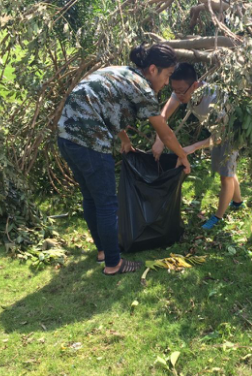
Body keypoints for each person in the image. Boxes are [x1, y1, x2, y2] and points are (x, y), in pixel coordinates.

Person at [57, 44, 191, 275]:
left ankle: (103, 252)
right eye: (167, 75)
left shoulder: (122, 72)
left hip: (66, 137)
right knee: (107, 204)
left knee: (91, 197)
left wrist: (125, 140)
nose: (167, 82)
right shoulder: (143, 89)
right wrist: (182, 156)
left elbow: (106, 107)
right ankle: (113, 264)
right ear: (153, 69)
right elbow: (165, 133)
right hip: (90, 143)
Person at [152, 63, 244, 230]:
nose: (178, 95)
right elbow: (163, 116)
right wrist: (159, 139)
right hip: (216, 131)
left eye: (181, 91)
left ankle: (218, 217)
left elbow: (220, 136)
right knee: (227, 170)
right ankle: (237, 201)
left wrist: (193, 147)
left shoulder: (214, 99)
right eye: (175, 90)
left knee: (226, 176)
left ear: (195, 85)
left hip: (231, 132)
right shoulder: (180, 91)